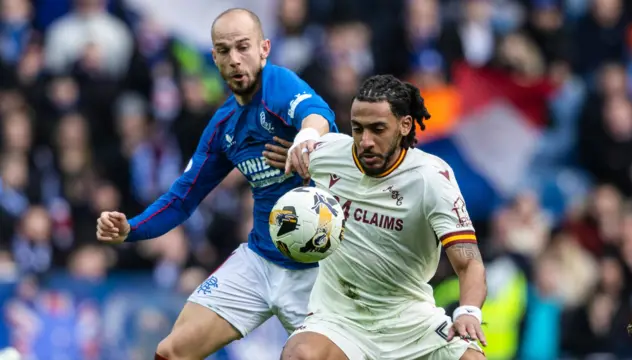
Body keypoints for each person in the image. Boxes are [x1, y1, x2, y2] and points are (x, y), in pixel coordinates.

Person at [95, 8, 337, 360]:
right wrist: (129, 229)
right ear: (214, 57)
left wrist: (307, 138)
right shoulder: (225, 126)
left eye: (243, 47)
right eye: (225, 51)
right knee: (172, 350)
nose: (235, 59)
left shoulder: (278, 84)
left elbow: (317, 113)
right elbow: (182, 198)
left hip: (318, 272)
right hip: (260, 262)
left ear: (264, 48)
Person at [280, 75, 487, 360]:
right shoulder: (327, 155)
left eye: (378, 129)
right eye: (357, 129)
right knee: (300, 354)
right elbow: (287, 151)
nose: (365, 141)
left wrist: (469, 311)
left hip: (410, 322)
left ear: (405, 125)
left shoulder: (432, 179)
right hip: (340, 317)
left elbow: (468, 262)